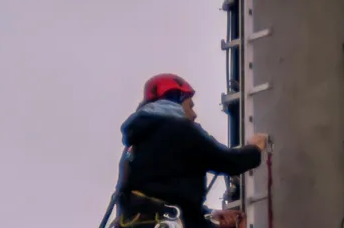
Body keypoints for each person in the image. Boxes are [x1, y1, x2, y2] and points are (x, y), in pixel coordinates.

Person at [115, 73, 271, 227]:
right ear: (176, 100)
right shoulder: (179, 130)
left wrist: (208, 214)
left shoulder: (135, 145)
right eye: (190, 105)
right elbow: (230, 162)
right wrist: (255, 148)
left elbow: (165, 193)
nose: (194, 115)